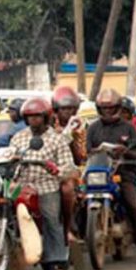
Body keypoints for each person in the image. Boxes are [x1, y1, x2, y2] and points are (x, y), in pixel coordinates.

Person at [87, 89, 136, 267]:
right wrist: (94, 152)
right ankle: (72, 247)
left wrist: (125, 151)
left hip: (123, 173)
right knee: (77, 202)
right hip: (99, 173)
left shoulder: (129, 127)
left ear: (118, 108)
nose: (107, 112)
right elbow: (87, 151)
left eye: (111, 108)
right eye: (103, 109)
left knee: (134, 206)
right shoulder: (93, 128)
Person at [10, 98, 77, 270]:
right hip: (21, 185)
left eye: (37, 116)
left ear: (46, 117)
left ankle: (60, 267)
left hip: (46, 185)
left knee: (50, 219)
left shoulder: (57, 139)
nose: (33, 121)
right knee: (0, 204)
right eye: (30, 117)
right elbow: (9, 155)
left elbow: (69, 166)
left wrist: (57, 170)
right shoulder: (19, 137)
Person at [51, 86, 86, 241]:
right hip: (44, 169)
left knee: (67, 189)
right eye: (63, 109)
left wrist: (70, 138)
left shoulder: (80, 127)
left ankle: (68, 223)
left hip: (69, 170)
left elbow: (79, 159)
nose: (68, 112)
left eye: (71, 109)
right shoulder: (48, 127)